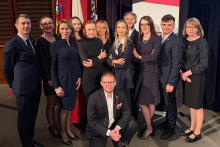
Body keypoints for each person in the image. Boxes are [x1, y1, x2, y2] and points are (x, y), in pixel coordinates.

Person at [2, 14, 44, 147]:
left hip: (35, 85)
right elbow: (6, 69)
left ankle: (30, 140)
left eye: (28, 23)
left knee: (32, 116)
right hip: (22, 88)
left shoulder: (31, 41)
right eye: (23, 23)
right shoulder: (11, 44)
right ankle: (26, 144)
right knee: (24, 118)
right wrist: (13, 84)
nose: (26, 26)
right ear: (16, 25)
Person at [50, 19, 81, 146]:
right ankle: (63, 132)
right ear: (59, 30)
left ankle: (68, 130)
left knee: (70, 107)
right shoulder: (55, 44)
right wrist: (56, 86)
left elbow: (76, 61)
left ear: (71, 29)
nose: (65, 31)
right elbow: (52, 67)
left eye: (67, 28)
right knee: (65, 108)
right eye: (62, 29)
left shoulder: (74, 42)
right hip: (63, 78)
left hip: (74, 78)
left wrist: (79, 77)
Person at [87, 71, 137, 147]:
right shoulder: (93, 98)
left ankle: (120, 141)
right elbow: (91, 120)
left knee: (132, 124)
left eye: (111, 82)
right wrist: (109, 132)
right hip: (100, 129)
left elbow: (127, 112)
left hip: (115, 125)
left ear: (115, 83)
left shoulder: (120, 94)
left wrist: (117, 128)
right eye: (106, 82)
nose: (109, 85)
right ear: (101, 83)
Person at [179, 18, 208, 143]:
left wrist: (187, 73)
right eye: (188, 27)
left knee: (197, 105)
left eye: (193, 27)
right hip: (185, 76)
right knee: (191, 103)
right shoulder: (183, 41)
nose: (190, 29)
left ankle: (197, 132)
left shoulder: (202, 42)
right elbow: (179, 59)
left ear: (198, 28)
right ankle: (192, 127)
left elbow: (204, 63)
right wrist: (182, 73)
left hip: (196, 76)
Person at [133, 16, 162, 139]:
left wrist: (140, 57)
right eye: (141, 24)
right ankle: (149, 126)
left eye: (146, 24)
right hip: (142, 71)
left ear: (151, 25)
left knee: (145, 101)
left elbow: (154, 56)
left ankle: (149, 127)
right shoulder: (139, 39)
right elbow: (134, 56)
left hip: (151, 72)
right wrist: (140, 57)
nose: (144, 27)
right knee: (147, 101)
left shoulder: (156, 38)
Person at [157, 14, 183, 140]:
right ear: (161, 24)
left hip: (168, 79)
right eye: (164, 24)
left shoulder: (176, 41)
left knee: (170, 104)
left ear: (173, 26)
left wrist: (171, 82)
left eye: (169, 25)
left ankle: (171, 128)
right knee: (166, 103)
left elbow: (176, 63)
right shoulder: (159, 38)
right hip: (160, 76)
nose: (166, 27)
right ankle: (167, 122)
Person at [36, 16, 60, 137]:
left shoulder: (57, 37)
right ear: (41, 26)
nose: (48, 25)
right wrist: (49, 78)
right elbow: (43, 62)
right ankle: (52, 126)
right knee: (52, 103)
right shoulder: (41, 42)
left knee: (59, 103)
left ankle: (57, 123)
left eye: (50, 23)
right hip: (49, 77)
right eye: (45, 24)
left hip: (60, 75)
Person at [107, 19, 134, 109]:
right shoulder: (114, 42)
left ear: (126, 29)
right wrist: (113, 61)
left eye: (123, 27)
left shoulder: (129, 44)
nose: (120, 29)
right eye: (118, 27)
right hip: (115, 75)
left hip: (124, 76)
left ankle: (128, 122)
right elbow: (107, 59)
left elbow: (123, 63)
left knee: (125, 102)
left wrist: (112, 61)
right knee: (116, 102)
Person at [78, 20, 107, 101]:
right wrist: (99, 57)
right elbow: (85, 63)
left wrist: (94, 61)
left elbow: (104, 58)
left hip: (101, 75)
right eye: (89, 29)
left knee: (101, 102)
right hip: (89, 77)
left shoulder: (99, 41)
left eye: (93, 29)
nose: (92, 32)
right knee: (90, 103)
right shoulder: (81, 44)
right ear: (84, 30)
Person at [70, 16, 85, 128]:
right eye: (74, 24)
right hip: (74, 69)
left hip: (85, 69)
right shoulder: (68, 39)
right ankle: (74, 120)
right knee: (75, 94)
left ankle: (83, 116)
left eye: (78, 24)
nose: (77, 26)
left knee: (83, 95)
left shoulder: (84, 38)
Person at [124, 11, 139, 120]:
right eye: (127, 18)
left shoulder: (138, 35)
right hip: (121, 70)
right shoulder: (119, 33)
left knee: (132, 96)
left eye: (131, 18)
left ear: (135, 21)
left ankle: (133, 120)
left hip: (133, 69)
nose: (129, 20)